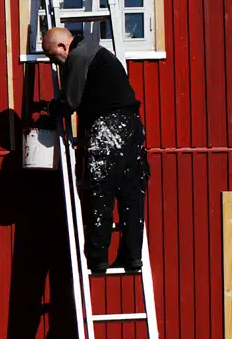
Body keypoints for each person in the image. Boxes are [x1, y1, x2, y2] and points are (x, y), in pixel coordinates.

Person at [40, 25, 150, 274]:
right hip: (132, 125)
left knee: (101, 191)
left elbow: (70, 102)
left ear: (62, 46)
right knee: (131, 193)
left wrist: (50, 108)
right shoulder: (97, 53)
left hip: (108, 126)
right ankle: (132, 258)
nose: (55, 64)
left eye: (52, 57)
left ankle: (98, 259)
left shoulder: (80, 56)